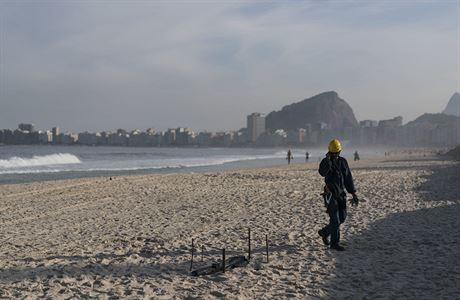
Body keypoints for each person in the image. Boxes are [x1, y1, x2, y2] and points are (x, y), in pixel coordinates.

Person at [318, 139, 358, 251]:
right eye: (332, 153)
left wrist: (353, 193)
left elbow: (348, 178)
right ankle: (334, 244)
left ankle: (325, 232)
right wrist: (328, 161)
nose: (334, 155)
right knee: (335, 220)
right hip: (330, 195)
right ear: (329, 152)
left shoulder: (343, 162)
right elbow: (322, 172)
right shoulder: (325, 162)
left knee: (342, 218)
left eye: (336, 153)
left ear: (339, 152)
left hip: (341, 195)